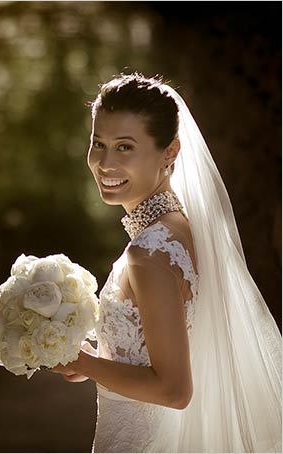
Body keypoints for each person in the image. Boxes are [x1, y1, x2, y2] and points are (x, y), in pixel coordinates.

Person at [52, 73, 282, 452]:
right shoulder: (180, 229)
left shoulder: (148, 255)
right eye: (99, 144)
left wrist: (85, 363)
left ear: (170, 152)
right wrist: (96, 360)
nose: (105, 163)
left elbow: (173, 390)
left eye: (125, 147)